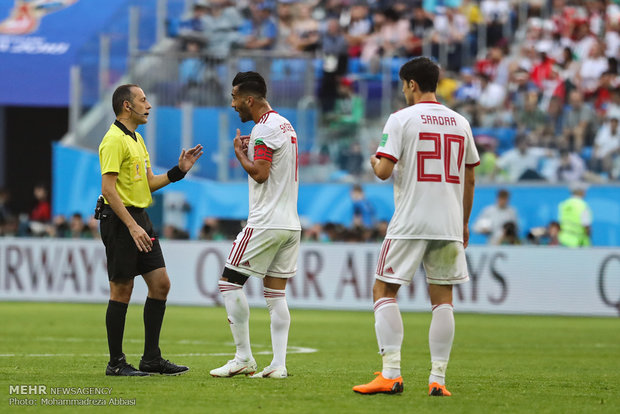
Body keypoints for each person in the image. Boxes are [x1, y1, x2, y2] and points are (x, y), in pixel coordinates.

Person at [352, 57, 479, 397]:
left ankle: (391, 373)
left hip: (411, 220)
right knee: (443, 300)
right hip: (449, 222)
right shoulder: (460, 122)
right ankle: (438, 379)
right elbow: (469, 177)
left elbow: (382, 172)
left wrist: (373, 159)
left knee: (384, 291)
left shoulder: (401, 119)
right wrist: (464, 222)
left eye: (403, 85)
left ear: (410, 83)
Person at [98, 84, 203, 376]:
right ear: (127, 106)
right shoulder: (113, 140)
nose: (149, 105)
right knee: (122, 289)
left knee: (161, 284)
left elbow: (148, 183)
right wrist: (131, 227)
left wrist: (178, 171)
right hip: (121, 222)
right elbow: (108, 189)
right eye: (143, 100)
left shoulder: (137, 139)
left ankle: (151, 359)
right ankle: (116, 363)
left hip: (139, 218)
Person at [210, 71, 300, 379]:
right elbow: (270, 163)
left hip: (266, 222)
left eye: (235, 98)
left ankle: (243, 357)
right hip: (290, 224)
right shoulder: (285, 125)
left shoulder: (264, 130)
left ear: (249, 99)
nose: (233, 104)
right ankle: (278, 364)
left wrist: (239, 154)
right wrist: (253, 149)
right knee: (275, 295)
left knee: (228, 283)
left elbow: (260, 173)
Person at [558, 183, 592, 247]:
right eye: (584, 191)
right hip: (578, 241)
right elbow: (586, 225)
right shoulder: (582, 205)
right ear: (580, 192)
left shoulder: (564, 204)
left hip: (564, 240)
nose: (585, 193)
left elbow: (560, 222)